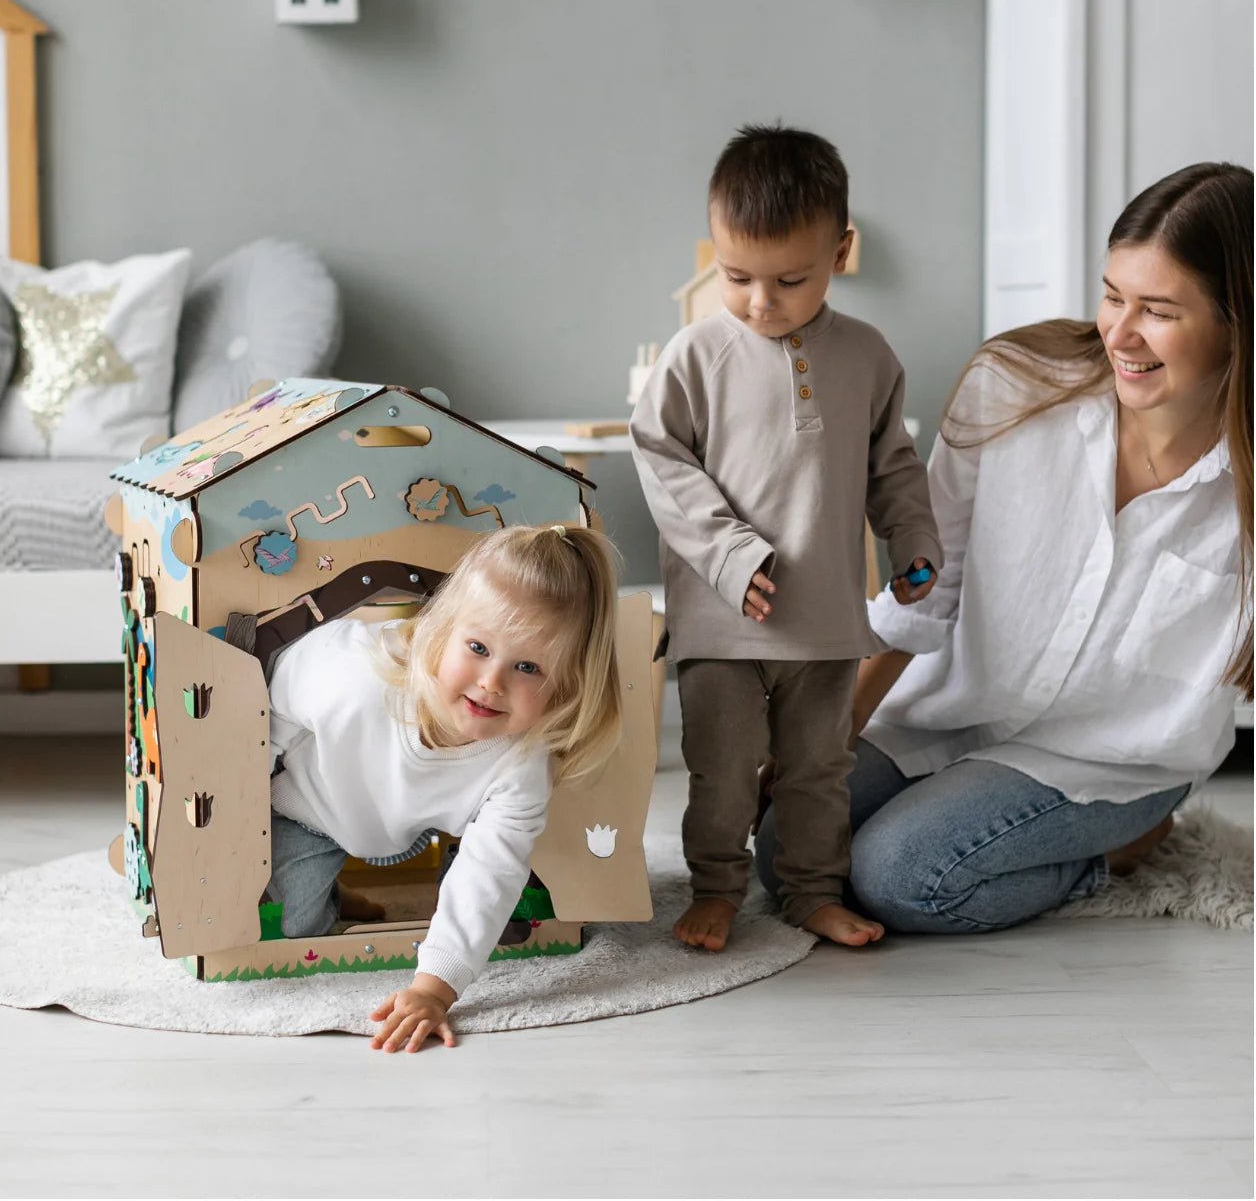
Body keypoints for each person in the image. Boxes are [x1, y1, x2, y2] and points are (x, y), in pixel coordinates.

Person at [755, 161, 1253, 933]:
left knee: (900, 874)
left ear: (1236, 325)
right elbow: (928, 586)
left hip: (1113, 759)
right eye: (1113, 295)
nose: (1118, 334)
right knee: (787, 850)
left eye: (1158, 311)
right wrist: (825, 739)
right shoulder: (1014, 386)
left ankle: (1123, 850)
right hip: (953, 712)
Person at [630, 123, 944, 952]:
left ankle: (810, 892)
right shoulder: (695, 357)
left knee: (819, 772)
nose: (760, 301)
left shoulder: (869, 358)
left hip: (828, 621)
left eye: (788, 280)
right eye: (737, 277)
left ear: (839, 253)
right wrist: (730, 555)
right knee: (723, 773)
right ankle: (716, 888)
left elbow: (894, 466)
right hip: (723, 623)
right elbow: (658, 457)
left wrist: (912, 540)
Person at [263, 524, 623, 1051]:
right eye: (477, 647)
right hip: (308, 811)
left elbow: (491, 866)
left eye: (527, 667)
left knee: (501, 895)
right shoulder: (350, 676)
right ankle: (335, 896)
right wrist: (251, 779)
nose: (491, 682)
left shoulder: (522, 760)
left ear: (565, 685)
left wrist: (434, 987)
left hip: (417, 829)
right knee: (296, 926)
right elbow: (267, 702)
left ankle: (371, 891)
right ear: (439, 631)